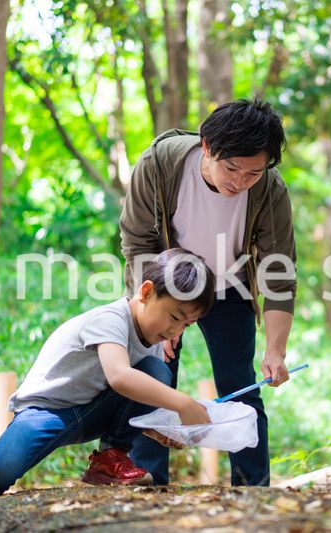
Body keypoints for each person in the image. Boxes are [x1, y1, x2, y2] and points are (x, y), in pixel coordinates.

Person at [119, 98, 297, 486]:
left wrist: (276, 350)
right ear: (206, 146)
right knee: (152, 378)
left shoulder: (269, 188)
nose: (240, 181)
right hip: (166, 283)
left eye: (253, 173)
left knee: (240, 388)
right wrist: (156, 309)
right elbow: (137, 241)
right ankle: (145, 483)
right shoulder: (160, 163)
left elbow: (279, 272)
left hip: (230, 286)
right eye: (231, 168)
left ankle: (252, 490)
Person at [0, 249, 216, 499]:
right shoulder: (111, 319)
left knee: (156, 371)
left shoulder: (153, 341)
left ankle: (110, 458)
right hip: (45, 412)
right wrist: (184, 403)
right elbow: (119, 377)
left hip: (91, 413)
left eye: (187, 325)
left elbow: (129, 401)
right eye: (174, 317)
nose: (176, 330)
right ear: (146, 292)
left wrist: (156, 429)